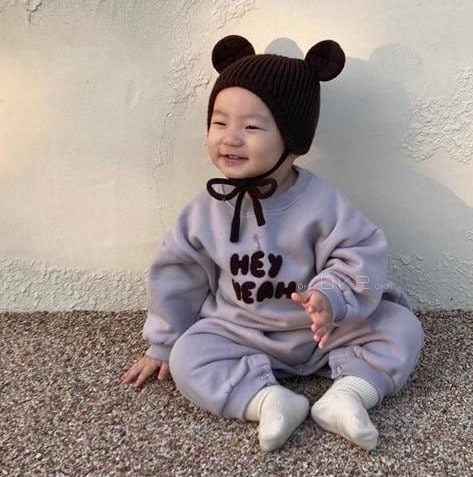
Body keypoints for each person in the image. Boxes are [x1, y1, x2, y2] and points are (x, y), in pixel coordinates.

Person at [122, 35, 424, 452]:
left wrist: (329, 296)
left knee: (400, 326)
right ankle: (268, 402)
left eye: (251, 127)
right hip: (241, 331)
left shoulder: (323, 203)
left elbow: (360, 252)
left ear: (292, 139)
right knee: (188, 356)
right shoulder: (206, 211)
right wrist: (163, 343)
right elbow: (177, 276)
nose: (230, 138)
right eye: (219, 123)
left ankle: (349, 395)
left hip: (324, 332)